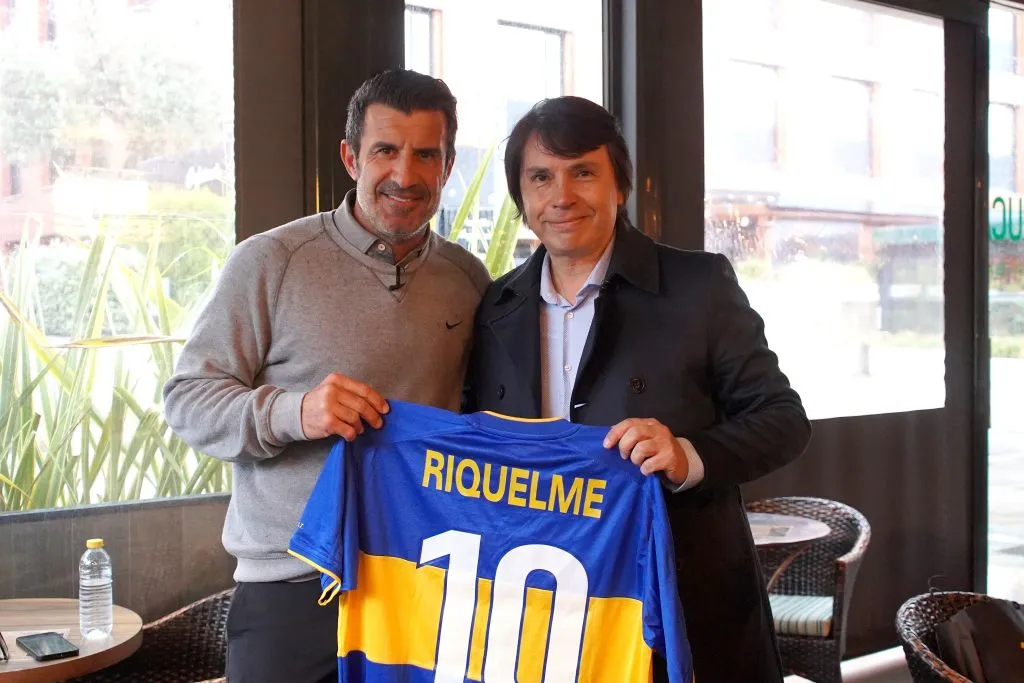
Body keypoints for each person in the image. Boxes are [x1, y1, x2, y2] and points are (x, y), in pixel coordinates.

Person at [463, 95, 812, 683]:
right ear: (523, 200)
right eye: (541, 177)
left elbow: (783, 419)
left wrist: (688, 455)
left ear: (619, 185)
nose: (562, 196)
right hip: (548, 603)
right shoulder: (496, 305)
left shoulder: (697, 286)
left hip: (681, 599)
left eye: (583, 172)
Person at [163, 69, 490, 683]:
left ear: (447, 166)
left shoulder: (469, 281)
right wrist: (296, 412)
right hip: (290, 590)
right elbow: (187, 401)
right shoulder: (270, 262)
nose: (405, 174)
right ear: (350, 157)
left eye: (426, 155)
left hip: (421, 587)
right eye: (385, 150)